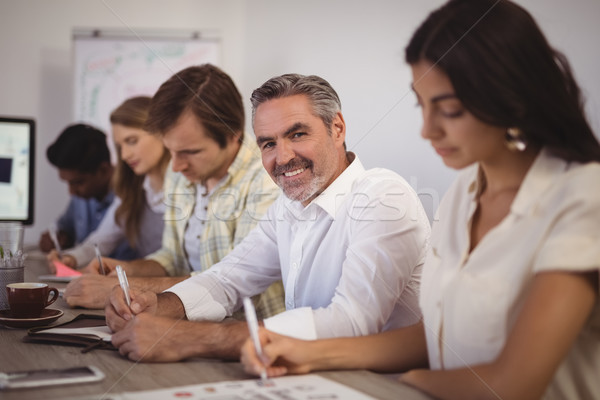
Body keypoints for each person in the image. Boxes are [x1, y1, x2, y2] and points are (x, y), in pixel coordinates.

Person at [240, 1, 600, 399]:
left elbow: (513, 384)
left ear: (511, 97)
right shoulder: (464, 194)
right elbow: (437, 337)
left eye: (449, 110)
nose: (427, 130)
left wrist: (411, 382)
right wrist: (309, 356)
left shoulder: (583, 199)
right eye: (423, 106)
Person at [105, 73, 431, 362]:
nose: (283, 157)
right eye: (268, 143)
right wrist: (157, 306)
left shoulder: (384, 196)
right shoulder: (289, 205)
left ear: (337, 128)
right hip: (307, 379)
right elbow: (229, 278)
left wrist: (193, 338)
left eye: (298, 134)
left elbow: (350, 323)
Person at [70, 64, 285, 315]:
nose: (175, 165)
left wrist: (127, 288)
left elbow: (239, 287)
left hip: (247, 335)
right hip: (192, 322)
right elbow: (172, 259)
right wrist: (127, 270)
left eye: (190, 152)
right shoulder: (181, 171)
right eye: (170, 150)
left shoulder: (266, 181)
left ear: (232, 136)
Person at [47, 97, 170, 307]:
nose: (124, 155)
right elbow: (104, 238)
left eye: (132, 141)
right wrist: (72, 258)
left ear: (162, 133)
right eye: (120, 145)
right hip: (147, 295)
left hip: (167, 294)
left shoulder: (184, 185)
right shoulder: (133, 188)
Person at [39, 123, 133, 260]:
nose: (71, 192)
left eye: (78, 182)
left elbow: (104, 241)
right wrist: (57, 238)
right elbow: (63, 230)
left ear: (104, 170)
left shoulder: (131, 196)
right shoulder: (80, 197)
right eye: (68, 183)